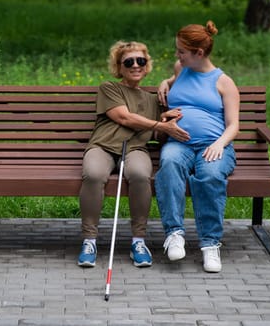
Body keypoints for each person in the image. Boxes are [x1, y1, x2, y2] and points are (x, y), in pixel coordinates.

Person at [77, 40, 190, 268]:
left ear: (147, 65)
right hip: (103, 146)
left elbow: (161, 136)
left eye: (141, 61)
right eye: (129, 61)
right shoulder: (109, 87)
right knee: (94, 174)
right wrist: (160, 125)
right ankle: (89, 241)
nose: (136, 65)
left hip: (135, 149)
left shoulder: (154, 99)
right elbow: (124, 117)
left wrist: (169, 121)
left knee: (140, 175)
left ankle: (138, 241)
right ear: (119, 67)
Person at [156, 20, 240, 273]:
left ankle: (210, 244)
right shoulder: (180, 69)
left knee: (210, 174)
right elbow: (175, 80)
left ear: (199, 53)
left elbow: (233, 125)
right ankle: (174, 234)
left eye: (182, 51)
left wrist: (219, 144)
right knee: (169, 164)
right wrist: (166, 82)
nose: (177, 55)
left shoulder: (223, 82)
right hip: (179, 144)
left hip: (213, 145)